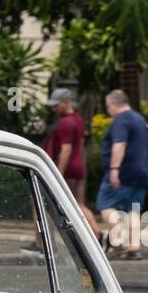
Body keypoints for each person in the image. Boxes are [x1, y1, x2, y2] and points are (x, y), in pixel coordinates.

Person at [96, 89, 148, 259]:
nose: (108, 111)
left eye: (108, 107)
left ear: (114, 104)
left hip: (123, 173)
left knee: (105, 204)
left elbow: (119, 144)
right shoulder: (139, 118)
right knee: (132, 210)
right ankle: (134, 247)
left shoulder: (121, 120)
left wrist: (114, 169)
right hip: (141, 173)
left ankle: (119, 241)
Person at [42, 88, 98, 232]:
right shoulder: (78, 119)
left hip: (67, 170)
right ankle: (98, 234)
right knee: (79, 204)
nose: (53, 108)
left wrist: (58, 173)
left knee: (46, 204)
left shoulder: (65, 123)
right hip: (78, 167)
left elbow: (65, 150)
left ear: (66, 102)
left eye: (57, 104)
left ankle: (41, 244)